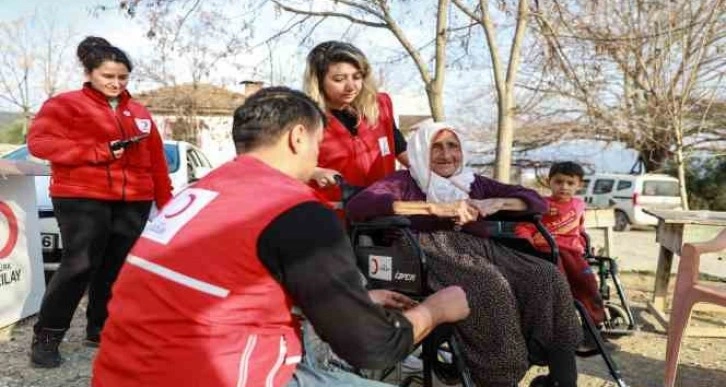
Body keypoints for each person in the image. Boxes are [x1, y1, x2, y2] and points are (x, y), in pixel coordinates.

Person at [91, 87, 470, 387]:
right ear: (298, 137)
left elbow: (223, 285)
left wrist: (355, 299)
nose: (318, 156)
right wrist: (437, 309)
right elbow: (373, 347)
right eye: (319, 144)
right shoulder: (295, 210)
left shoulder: (201, 192)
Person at [346, 121, 582, 387]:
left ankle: (561, 377)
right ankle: (499, 377)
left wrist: (498, 202)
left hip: (479, 247)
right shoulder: (404, 181)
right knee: (489, 285)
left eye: (452, 146)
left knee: (545, 275)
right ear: (422, 149)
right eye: (436, 147)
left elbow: (534, 199)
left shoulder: (472, 182)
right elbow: (359, 205)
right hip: (425, 249)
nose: (446, 155)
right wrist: (434, 209)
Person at [27, 36, 172, 368]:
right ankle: (47, 337)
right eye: (108, 76)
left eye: (122, 77)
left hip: (134, 200)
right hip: (82, 197)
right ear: (90, 73)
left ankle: (100, 330)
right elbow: (40, 143)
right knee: (78, 266)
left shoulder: (139, 111)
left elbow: (157, 162)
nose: (116, 83)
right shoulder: (64, 105)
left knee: (116, 269)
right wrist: (96, 152)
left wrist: (167, 204)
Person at [302, 41, 409, 212]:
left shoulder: (380, 105)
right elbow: (286, 167)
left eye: (357, 77)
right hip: (333, 215)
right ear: (319, 81)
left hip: (383, 211)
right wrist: (315, 171)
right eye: (339, 79)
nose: (351, 86)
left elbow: (399, 147)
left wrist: (429, 171)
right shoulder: (304, 119)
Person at [515, 162, 609, 354]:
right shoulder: (541, 205)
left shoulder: (579, 205)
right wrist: (526, 241)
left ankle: (592, 329)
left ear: (579, 185)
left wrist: (583, 242)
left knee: (588, 284)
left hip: (573, 252)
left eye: (569, 183)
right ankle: (564, 331)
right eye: (558, 182)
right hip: (548, 251)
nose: (564, 187)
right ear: (550, 182)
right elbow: (524, 226)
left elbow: (579, 228)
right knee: (561, 289)